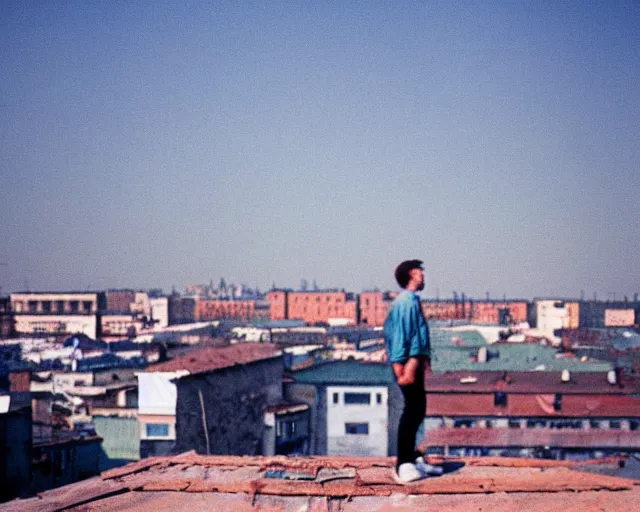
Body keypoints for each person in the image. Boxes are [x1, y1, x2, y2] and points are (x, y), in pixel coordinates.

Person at [384, 259, 443, 483]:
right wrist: (401, 364)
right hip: (409, 362)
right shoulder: (406, 302)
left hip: (414, 361)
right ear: (411, 275)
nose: (423, 277)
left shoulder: (410, 300)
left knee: (418, 408)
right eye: (420, 273)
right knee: (413, 409)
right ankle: (403, 464)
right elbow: (400, 335)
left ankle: (413, 457)